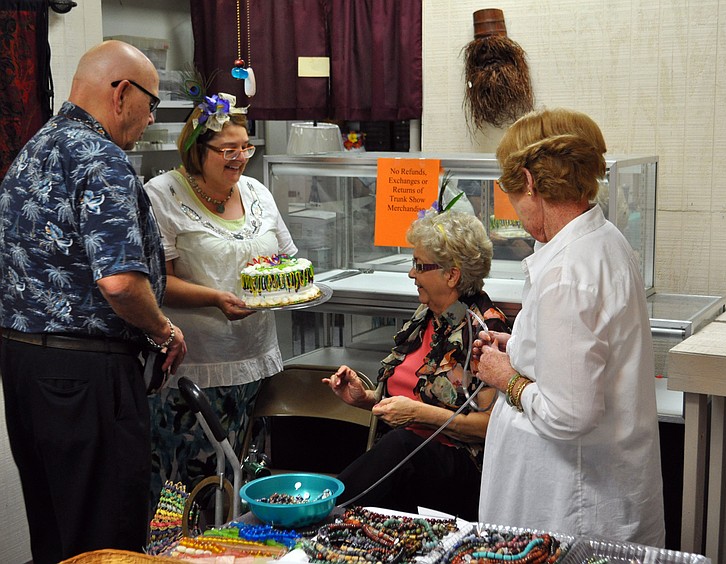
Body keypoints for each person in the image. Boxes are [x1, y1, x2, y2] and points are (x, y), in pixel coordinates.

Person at [0, 40, 187, 562]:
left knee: (57, 532)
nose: (151, 118)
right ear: (122, 93)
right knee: (106, 536)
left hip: (23, 367)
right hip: (85, 376)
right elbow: (121, 283)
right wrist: (163, 330)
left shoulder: (34, 147)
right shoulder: (102, 158)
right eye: (151, 103)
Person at [473, 108, 665, 545]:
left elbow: (569, 413)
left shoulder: (567, 273)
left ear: (530, 181)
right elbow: (580, 353)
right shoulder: (604, 241)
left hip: (570, 507)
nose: (517, 211)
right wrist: (520, 345)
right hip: (597, 490)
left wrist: (506, 376)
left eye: (513, 195)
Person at [144, 92, 297, 508]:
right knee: (190, 487)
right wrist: (215, 298)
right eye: (227, 150)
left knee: (247, 480)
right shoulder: (162, 194)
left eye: (245, 147)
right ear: (197, 149)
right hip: (195, 366)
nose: (240, 158)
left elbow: (285, 258)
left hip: (255, 359)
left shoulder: (255, 191)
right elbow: (157, 281)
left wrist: (287, 285)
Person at [324, 210, 509, 520]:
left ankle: (316, 515)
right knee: (395, 448)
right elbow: (410, 401)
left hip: (461, 471)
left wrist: (420, 414)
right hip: (407, 465)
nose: (412, 274)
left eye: (419, 266)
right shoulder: (425, 317)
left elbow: (493, 427)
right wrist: (365, 400)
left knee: (401, 446)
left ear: (452, 275)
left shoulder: (485, 331)